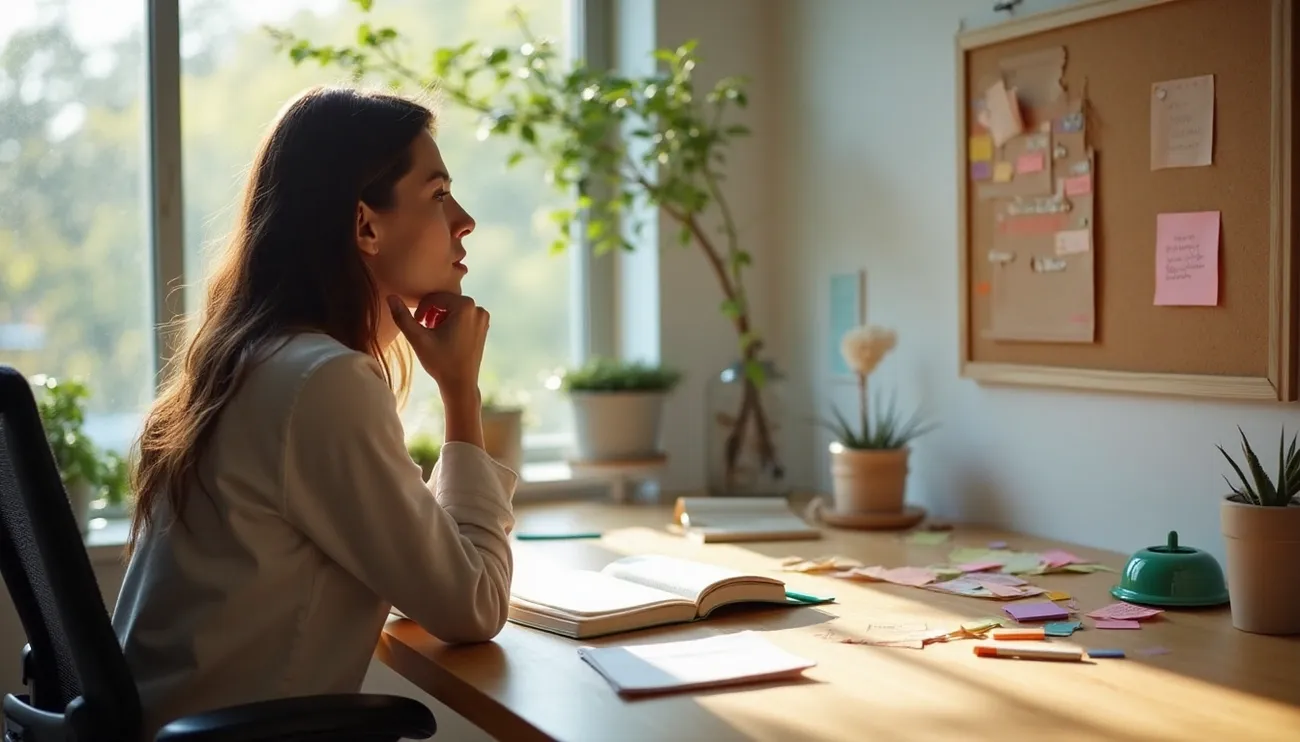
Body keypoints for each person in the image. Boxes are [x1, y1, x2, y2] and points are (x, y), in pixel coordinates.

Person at [111, 85, 516, 738]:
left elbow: (425, 561)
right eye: (438, 194)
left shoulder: (253, 361)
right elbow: (472, 604)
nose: (464, 219)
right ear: (365, 225)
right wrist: (461, 395)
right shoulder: (324, 382)